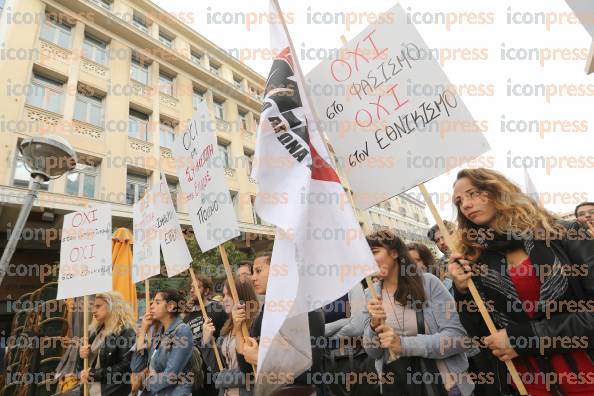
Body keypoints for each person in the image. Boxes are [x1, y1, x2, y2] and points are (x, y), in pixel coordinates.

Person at [449, 168, 594, 396]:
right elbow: (480, 335)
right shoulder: (476, 258)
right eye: (459, 201)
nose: (465, 204)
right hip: (525, 384)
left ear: (498, 190)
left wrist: (525, 338)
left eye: (473, 193)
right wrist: (463, 290)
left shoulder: (563, 233)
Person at [363, 230, 474, 396]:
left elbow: (458, 338)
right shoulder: (371, 294)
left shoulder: (428, 283)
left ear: (394, 252)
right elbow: (373, 353)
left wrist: (404, 345)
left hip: (446, 386)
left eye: (374, 252)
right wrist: (373, 326)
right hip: (400, 387)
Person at [233, 250, 325, 395]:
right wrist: (238, 330)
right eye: (252, 272)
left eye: (258, 271)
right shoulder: (265, 314)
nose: (253, 278)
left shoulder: (306, 309)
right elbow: (247, 369)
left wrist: (260, 358)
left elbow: (309, 370)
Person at [202, 275, 259, 396]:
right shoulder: (226, 328)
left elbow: (251, 373)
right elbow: (216, 367)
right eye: (223, 295)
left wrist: (222, 379)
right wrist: (206, 341)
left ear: (242, 297)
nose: (224, 299)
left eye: (229, 295)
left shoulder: (255, 325)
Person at [131, 289, 194, 395]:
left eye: (157, 302)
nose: (151, 306)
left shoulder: (182, 331)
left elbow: (170, 375)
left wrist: (144, 382)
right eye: (152, 302)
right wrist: (143, 331)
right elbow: (136, 366)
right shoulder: (160, 333)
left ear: (170, 306)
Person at [78, 292, 136, 396]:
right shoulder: (95, 331)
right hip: (89, 390)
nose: (94, 311)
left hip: (112, 391)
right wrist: (82, 356)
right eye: (93, 307)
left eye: (98, 306)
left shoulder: (126, 332)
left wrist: (94, 374)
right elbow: (86, 365)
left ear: (112, 306)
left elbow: (126, 367)